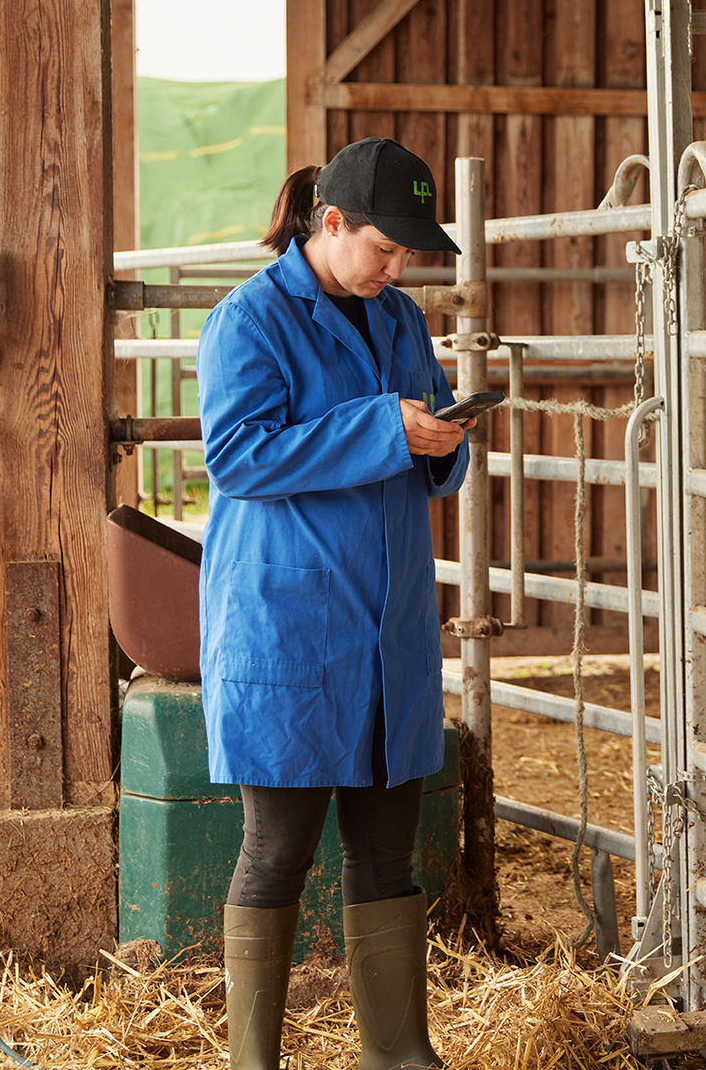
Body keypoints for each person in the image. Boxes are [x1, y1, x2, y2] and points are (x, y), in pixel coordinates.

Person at [196, 136, 475, 1070]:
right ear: (330, 223)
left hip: (389, 623)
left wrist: (445, 443)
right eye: (383, 250)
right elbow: (238, 454)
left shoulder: (397, 319)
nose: (397, 271)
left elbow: (428, 438)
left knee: (386, 852)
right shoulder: (251, 319)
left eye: (408, 257)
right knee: (277, 849)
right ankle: (254, 1062)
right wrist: (385, 429)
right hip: (292, 624)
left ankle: (398, 1055)